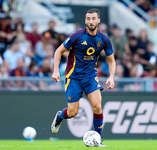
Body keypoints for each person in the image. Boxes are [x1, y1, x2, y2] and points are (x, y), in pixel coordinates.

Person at [51, 8, 116, 147]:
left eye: (93, 19)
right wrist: (56, 71)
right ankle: (60, 116)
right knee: (73, 112)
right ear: (85, 20)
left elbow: (111, 60)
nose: (91, 21)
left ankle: (97, 139)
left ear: (98, 20)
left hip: (90, 77)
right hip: (73, 77)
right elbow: (58, 51)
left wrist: (111, 77)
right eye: (88, 19)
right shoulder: (77, 36)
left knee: (97, 106)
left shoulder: (104, 39)